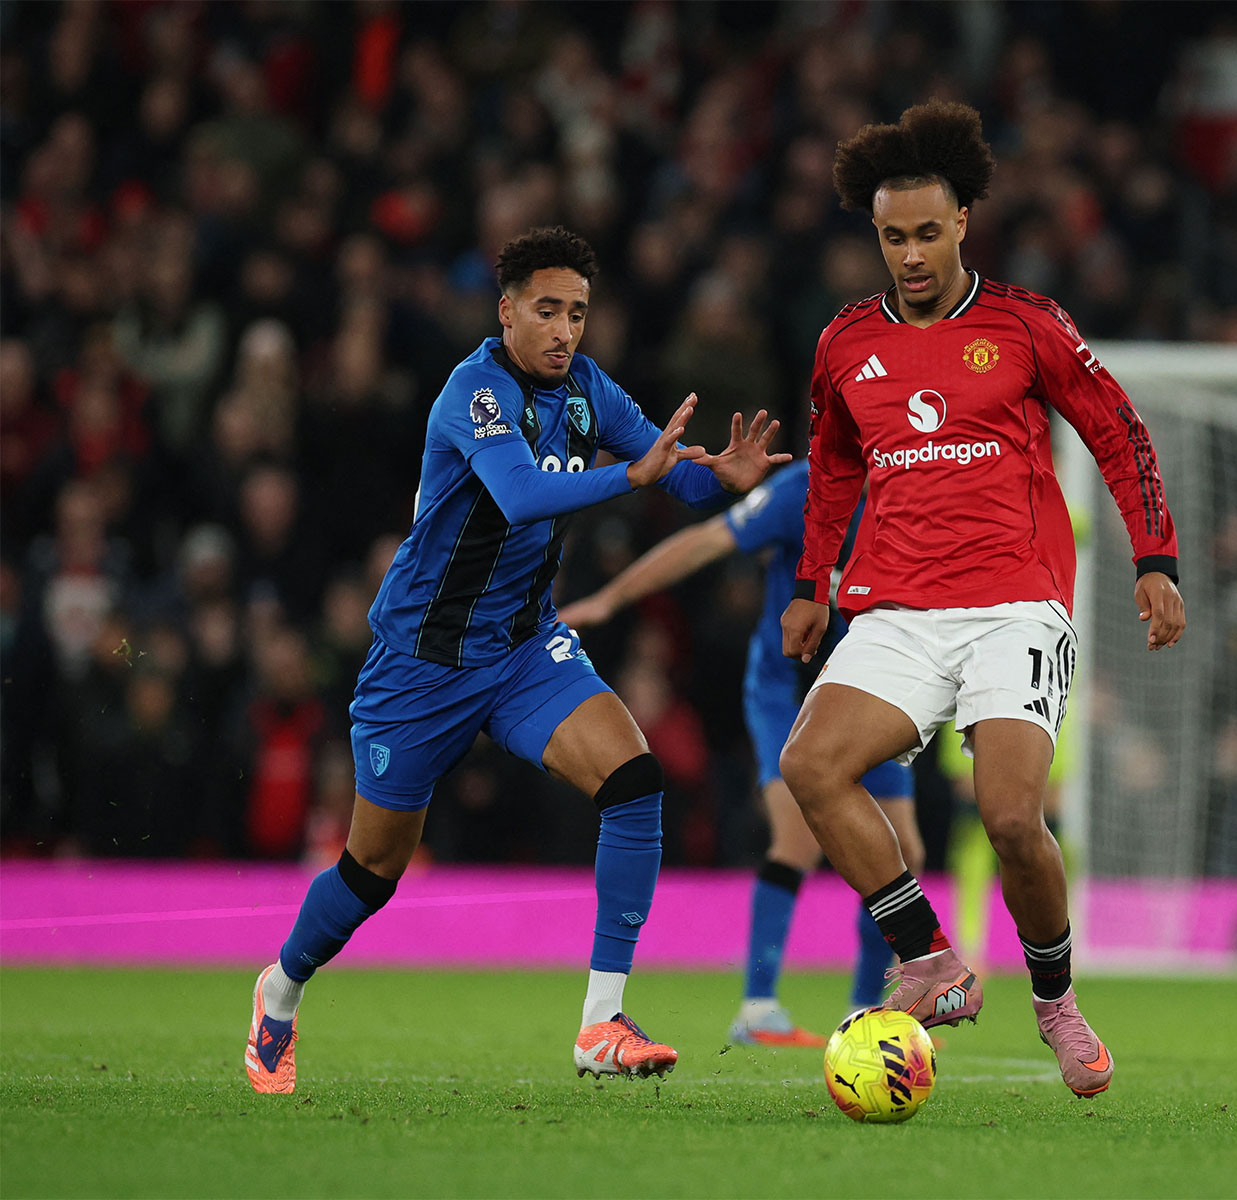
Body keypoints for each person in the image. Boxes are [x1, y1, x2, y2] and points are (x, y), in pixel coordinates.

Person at [245, 226, 789, 1094]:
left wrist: (722, 476)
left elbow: (664, 468)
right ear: (506, 312)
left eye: (576, 312)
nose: (564, 329)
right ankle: (280, 989)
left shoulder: (585, 389)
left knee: (636, 782)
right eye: (546, 310)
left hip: (525, 648)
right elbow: (524, 493)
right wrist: (636, 478)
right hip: (420, 664)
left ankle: (600, 1022)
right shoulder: (475, 393)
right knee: (373, 868)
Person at [778, 103, 1185, 1099]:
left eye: (926, 231)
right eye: (891, 236)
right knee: (810, 765)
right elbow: (833, 467)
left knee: (1009, 816)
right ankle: (927, 959)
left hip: (1014, 606)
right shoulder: (844, 345)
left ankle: (1054, 1000)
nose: (910, 254)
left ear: (962, 220)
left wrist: (1154, 559)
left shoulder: (1024, 324)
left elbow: (1118, 431)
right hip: (897, 610)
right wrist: (809, 582)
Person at [562, 460, 924, 1046]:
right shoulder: (807, 488)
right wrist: (609, 600)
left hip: (869, 685)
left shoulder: (918, 490)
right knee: (800, 837)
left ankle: (869, 1015)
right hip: (785, 684)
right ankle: (758, 1008)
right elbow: (706, 541)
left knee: (904, 847)